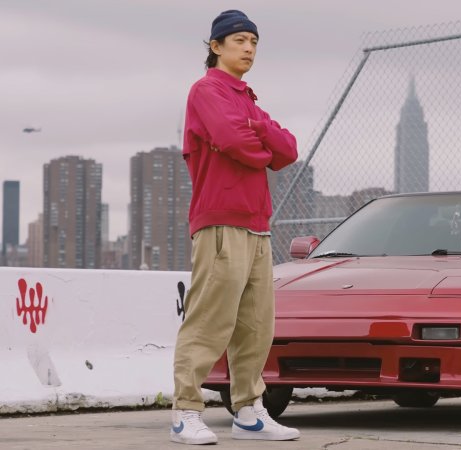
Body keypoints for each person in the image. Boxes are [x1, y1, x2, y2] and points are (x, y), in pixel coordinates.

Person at [170, 9, 300, 445]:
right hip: (220, 222)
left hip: (258, 225)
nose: (249, 48)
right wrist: (261, 143)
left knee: (255, 327)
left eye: (254, 42)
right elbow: (232, 141)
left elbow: (288, 150)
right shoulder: (206, 90)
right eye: (240, 40)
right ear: (216, 46)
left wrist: (258, 126)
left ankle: (249, 411)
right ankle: (185, 412)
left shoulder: (248, 99)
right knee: (209, 321)